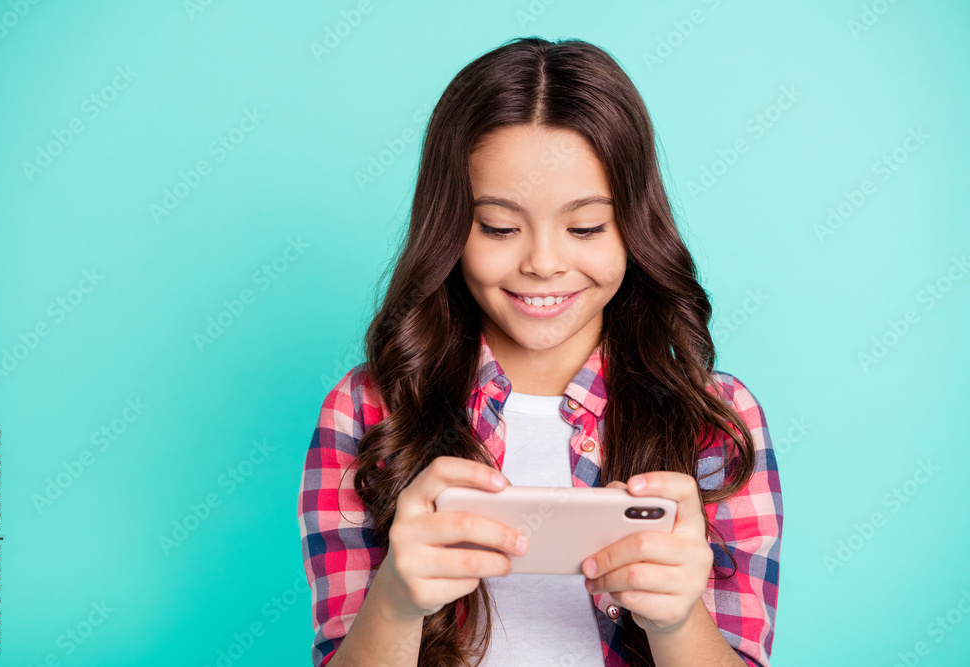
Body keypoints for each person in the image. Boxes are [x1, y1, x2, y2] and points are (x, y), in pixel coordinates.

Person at [298, 36, 782, 667]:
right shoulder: (367, 410)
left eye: (585, 227)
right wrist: (393, 602)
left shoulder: (714, 418)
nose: (544, 263)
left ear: (634, 228)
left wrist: (676, 621)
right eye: (499, 226)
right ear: (450, 228)